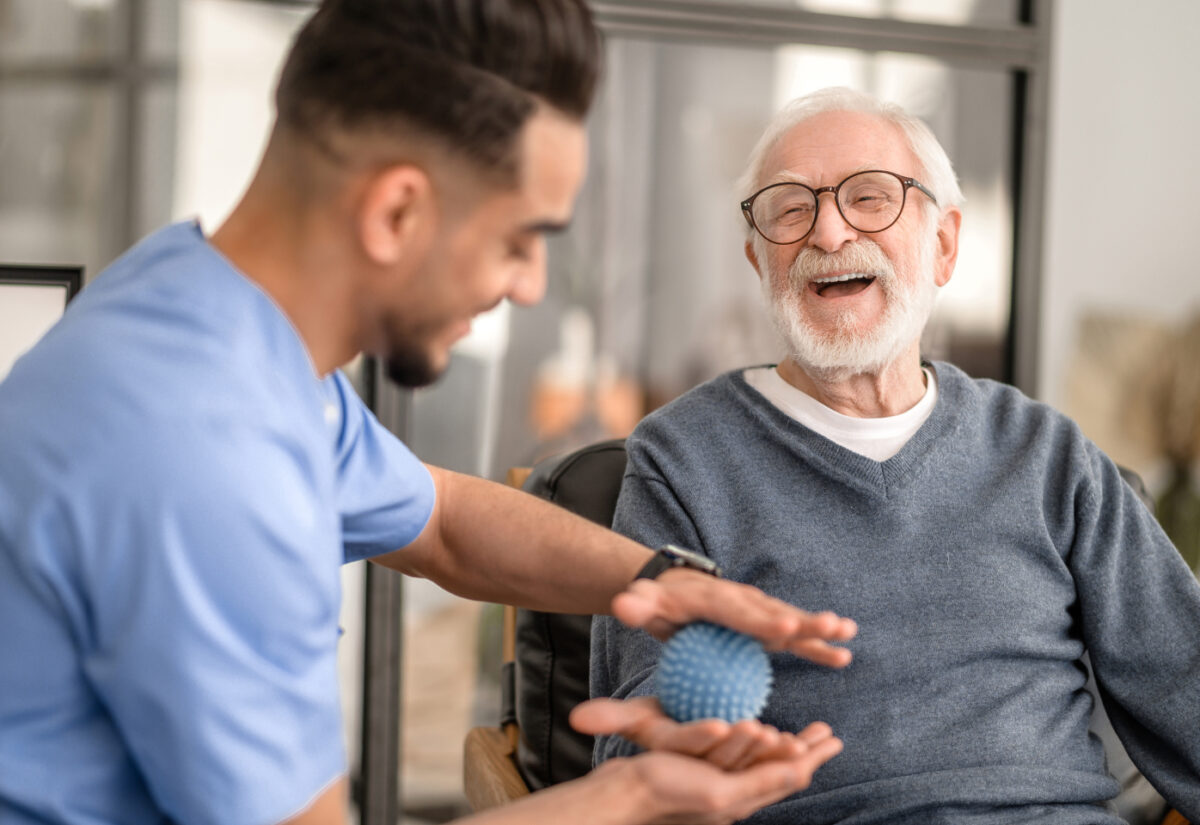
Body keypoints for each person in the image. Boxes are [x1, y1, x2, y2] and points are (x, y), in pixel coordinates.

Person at [0, 4, 863, 825]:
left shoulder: (210, 323)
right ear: (398, 211)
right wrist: (638, 798)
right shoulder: (203, 457)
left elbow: (445, 522)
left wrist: (659, 583)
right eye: (517, 240)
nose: (527, 284)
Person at [591, 86, 1200, 825]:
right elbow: (637, 743)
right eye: (790, 208)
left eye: (870, 198)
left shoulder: (1047, 454)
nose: (829, 230)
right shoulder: (684, 460)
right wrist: (686, 747)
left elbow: (1185, 683)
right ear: (758, 259)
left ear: (943, 243)